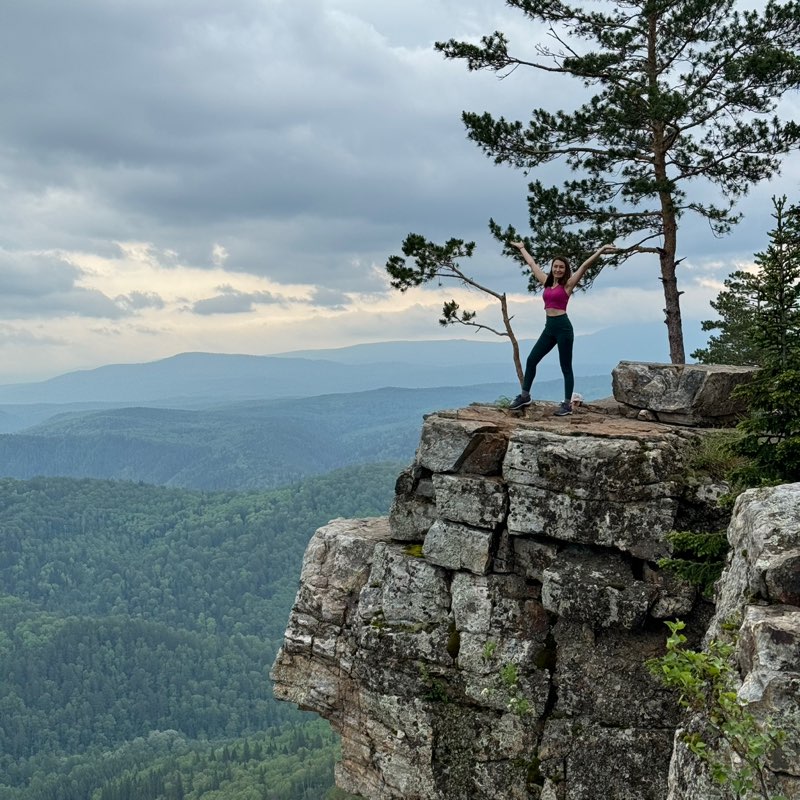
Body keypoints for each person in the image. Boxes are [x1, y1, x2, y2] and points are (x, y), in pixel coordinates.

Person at [509, 241, 617, 415]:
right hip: (549, 328)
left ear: (565, 270)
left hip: (563, 328)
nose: (558, 269)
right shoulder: (545, 282)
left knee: (565, 366)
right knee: (531, 360)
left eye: (561, 267)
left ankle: (567, 404)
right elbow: (532, 264)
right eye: (555, 266)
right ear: (552, 268)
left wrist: (602, 250)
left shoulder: (568, 285)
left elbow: (585, 265)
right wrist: (522, 248)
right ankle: (525, 395)